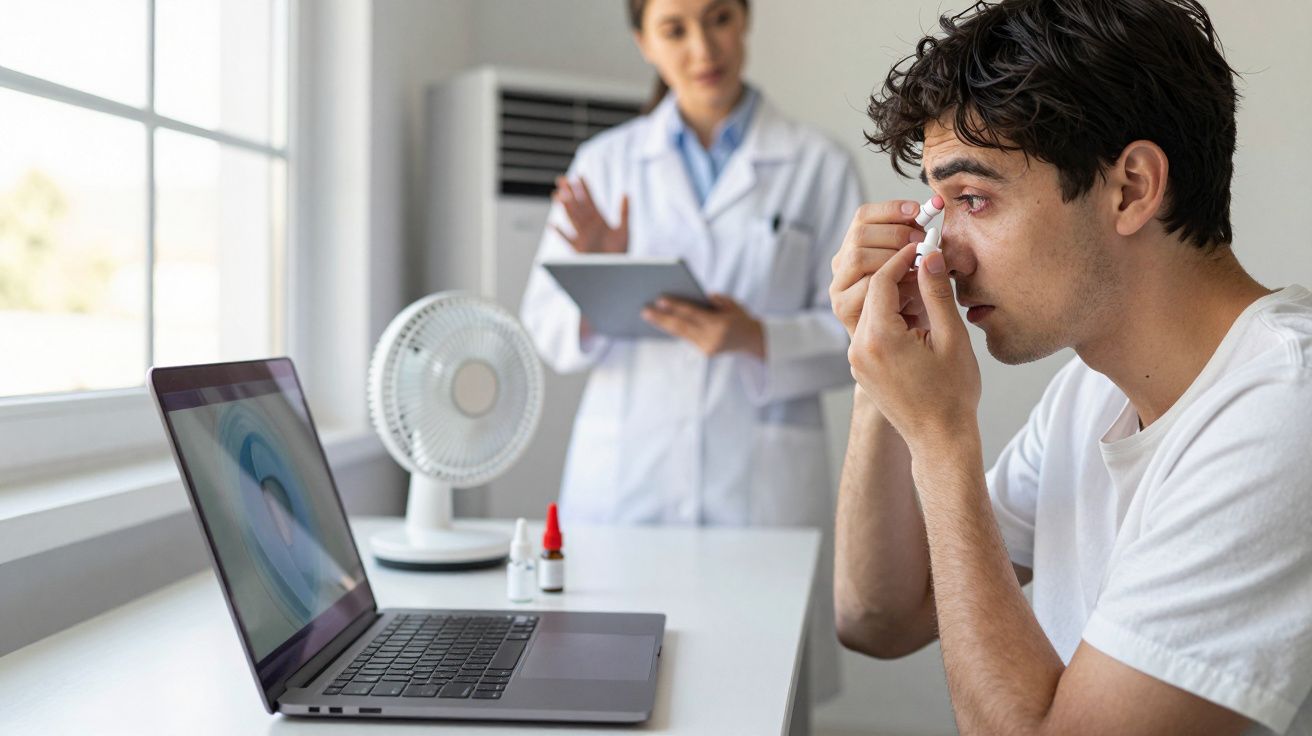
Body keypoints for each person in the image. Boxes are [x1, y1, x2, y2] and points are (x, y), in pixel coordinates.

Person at [830, 0, 1312, 733]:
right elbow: (878, 616)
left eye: (975, 199)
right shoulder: (1089, 393)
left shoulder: (1284, 413)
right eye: (938, 208)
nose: (938, 254)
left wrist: (942, 435)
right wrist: (884, 359)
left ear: (1131, 188)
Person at [519, 0, 861, 702]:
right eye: (674, 29)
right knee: (607, 690)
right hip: (625, 483)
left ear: (745, 20)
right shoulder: (605, 164)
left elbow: (860, 334)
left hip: (759, 486)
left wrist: (757, 337)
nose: (703, 46)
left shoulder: (818, 165)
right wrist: (600, 275)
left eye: (719, 19)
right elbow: (545, 329)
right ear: (644, 42)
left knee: (757, 694)